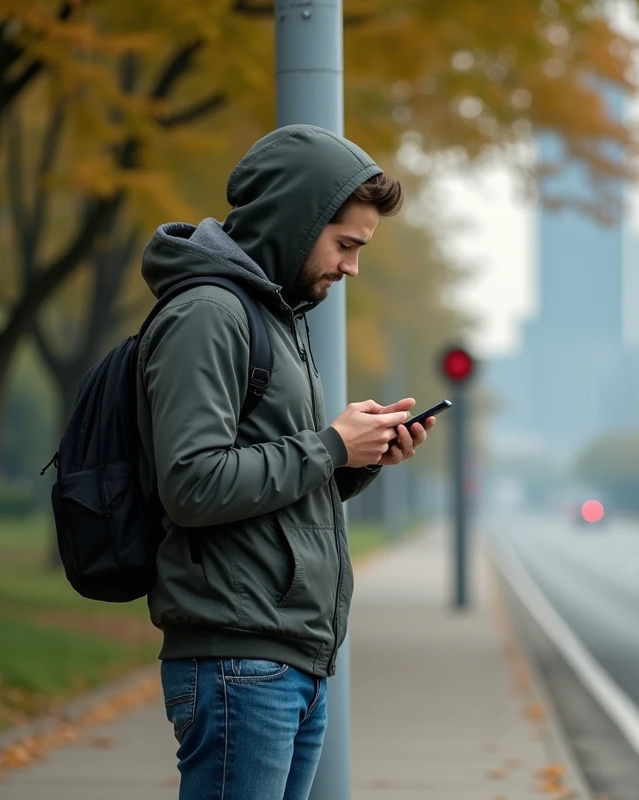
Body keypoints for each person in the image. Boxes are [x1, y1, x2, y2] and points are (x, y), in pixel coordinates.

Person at [134, 125, 429, 800]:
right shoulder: (209, 314)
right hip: (240, 660)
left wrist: (358, 457)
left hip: (283, 657)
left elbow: (268, 488)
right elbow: (193, 483)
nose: (352, 268)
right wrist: (330, 445)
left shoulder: (274, 317)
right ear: (296, 222)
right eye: (345, 245)